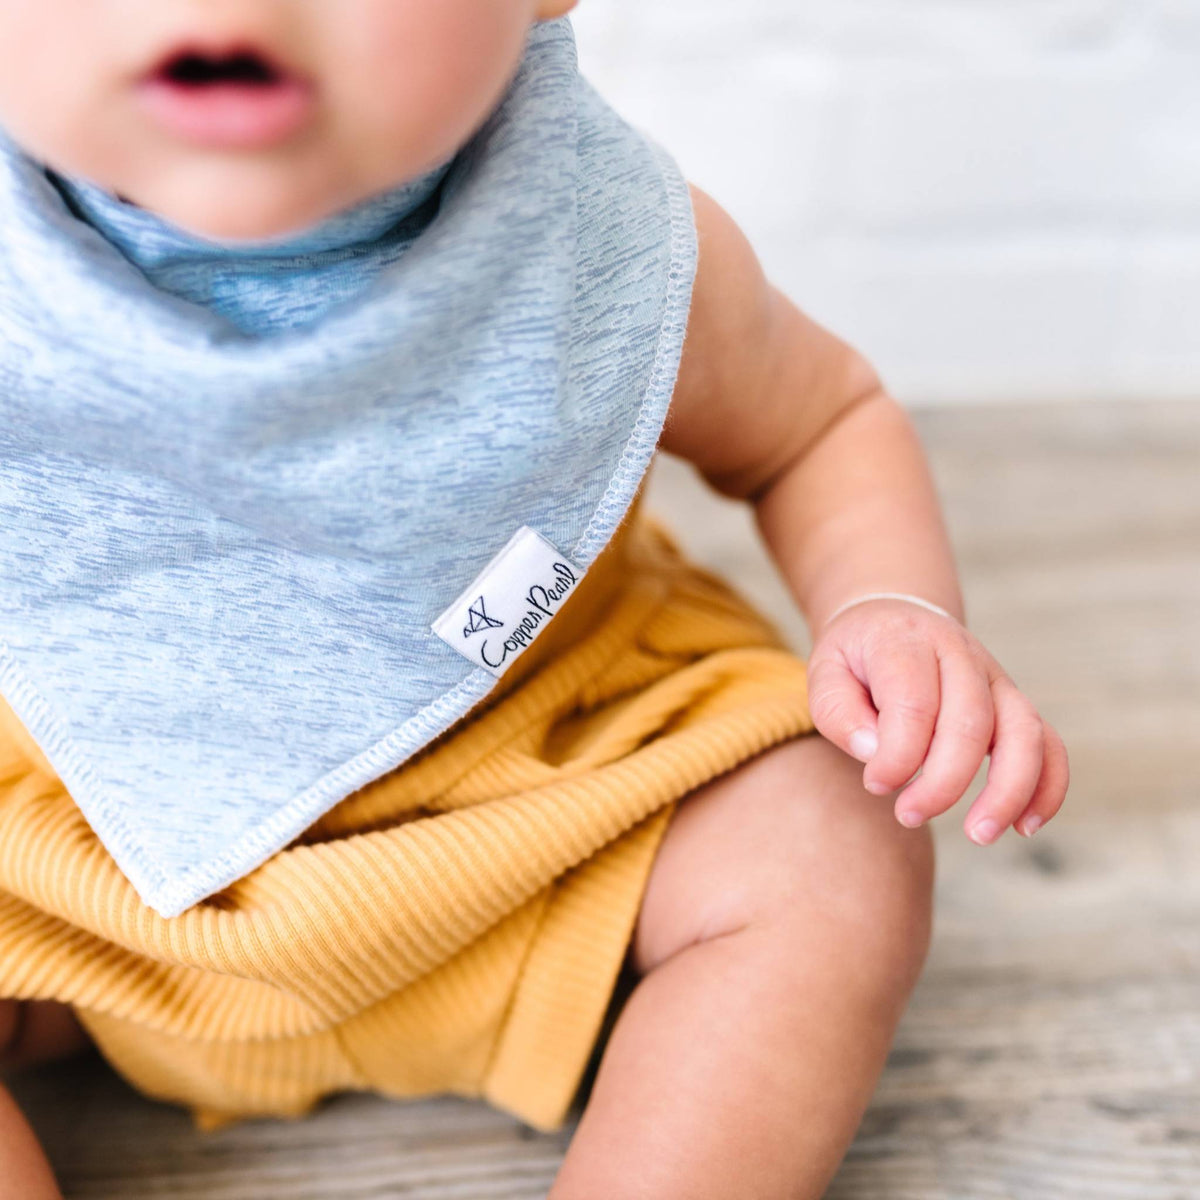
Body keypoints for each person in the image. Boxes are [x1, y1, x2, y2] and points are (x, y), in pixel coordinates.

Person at [0, 3, 1069, 1197]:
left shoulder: (595, 233)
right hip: (82, 879)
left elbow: (817, 423)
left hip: (549, 818)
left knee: (835, 849)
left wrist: (891, 605)